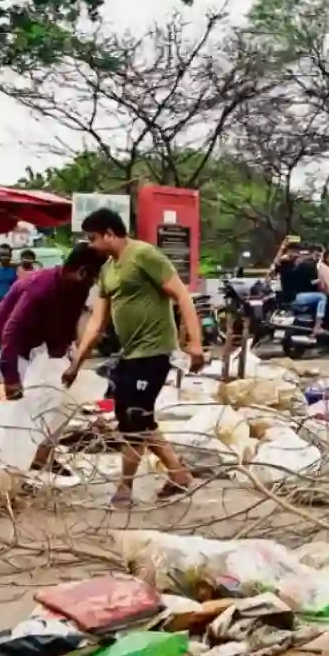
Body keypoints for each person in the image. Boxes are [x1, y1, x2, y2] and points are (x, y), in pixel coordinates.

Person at [65, 208, 207, 508]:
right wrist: (77, 362)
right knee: (133, 415)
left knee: (134, 418)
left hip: (155, 350)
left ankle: (124, 489)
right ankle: (179, 474)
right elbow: (97, 321)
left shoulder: (145, 255)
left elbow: (181, 294)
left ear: (109, 234)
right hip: (130, 353)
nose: (89, 245)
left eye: (92, 238)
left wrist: (195, 343)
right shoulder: (108, 270)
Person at [0, 243, 105, 399]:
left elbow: (68, 323)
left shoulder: (78, 288)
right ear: (82, 273)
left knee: (55, 390)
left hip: (33, 344)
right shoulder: (41, 287)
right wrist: (11, 378)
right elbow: (11, 330)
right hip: (3, 344)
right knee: (29, 396)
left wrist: (66, 357)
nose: (94, 284)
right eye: (95, 279)